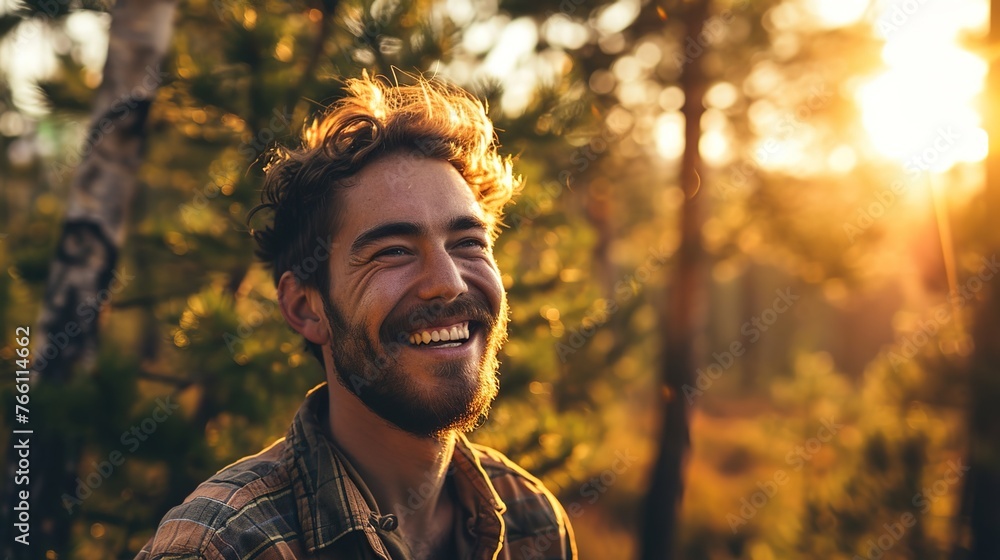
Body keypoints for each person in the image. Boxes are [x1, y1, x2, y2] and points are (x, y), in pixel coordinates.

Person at [135, 74, 577, 560]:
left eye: (468, 243)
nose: (449, 281)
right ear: (306, 308)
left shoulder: (531, 522)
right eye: (393, 251)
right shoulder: (220, 547)